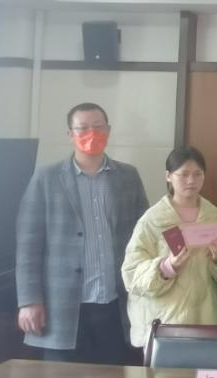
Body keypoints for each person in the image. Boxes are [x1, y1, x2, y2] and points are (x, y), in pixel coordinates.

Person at [16, 102, 148, 364]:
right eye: (83, 128)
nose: (91, 133)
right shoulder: (46, 178)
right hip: (61, 307)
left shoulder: (128, 176)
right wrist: (29, 301)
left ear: (108, 130)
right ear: (70, 134)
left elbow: (144, 238)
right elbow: (28, 244)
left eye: (98, 127)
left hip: (115, 304)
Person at [122, 146, 217, 348]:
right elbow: (131, 273)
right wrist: (167, 267)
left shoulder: (213, 215)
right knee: (167, 371)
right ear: (168, 176)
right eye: (184, 174)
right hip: (165, 322)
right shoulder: (152, 220)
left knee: (204, 369)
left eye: (198, 174)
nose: (191, 180)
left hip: (206, 320)